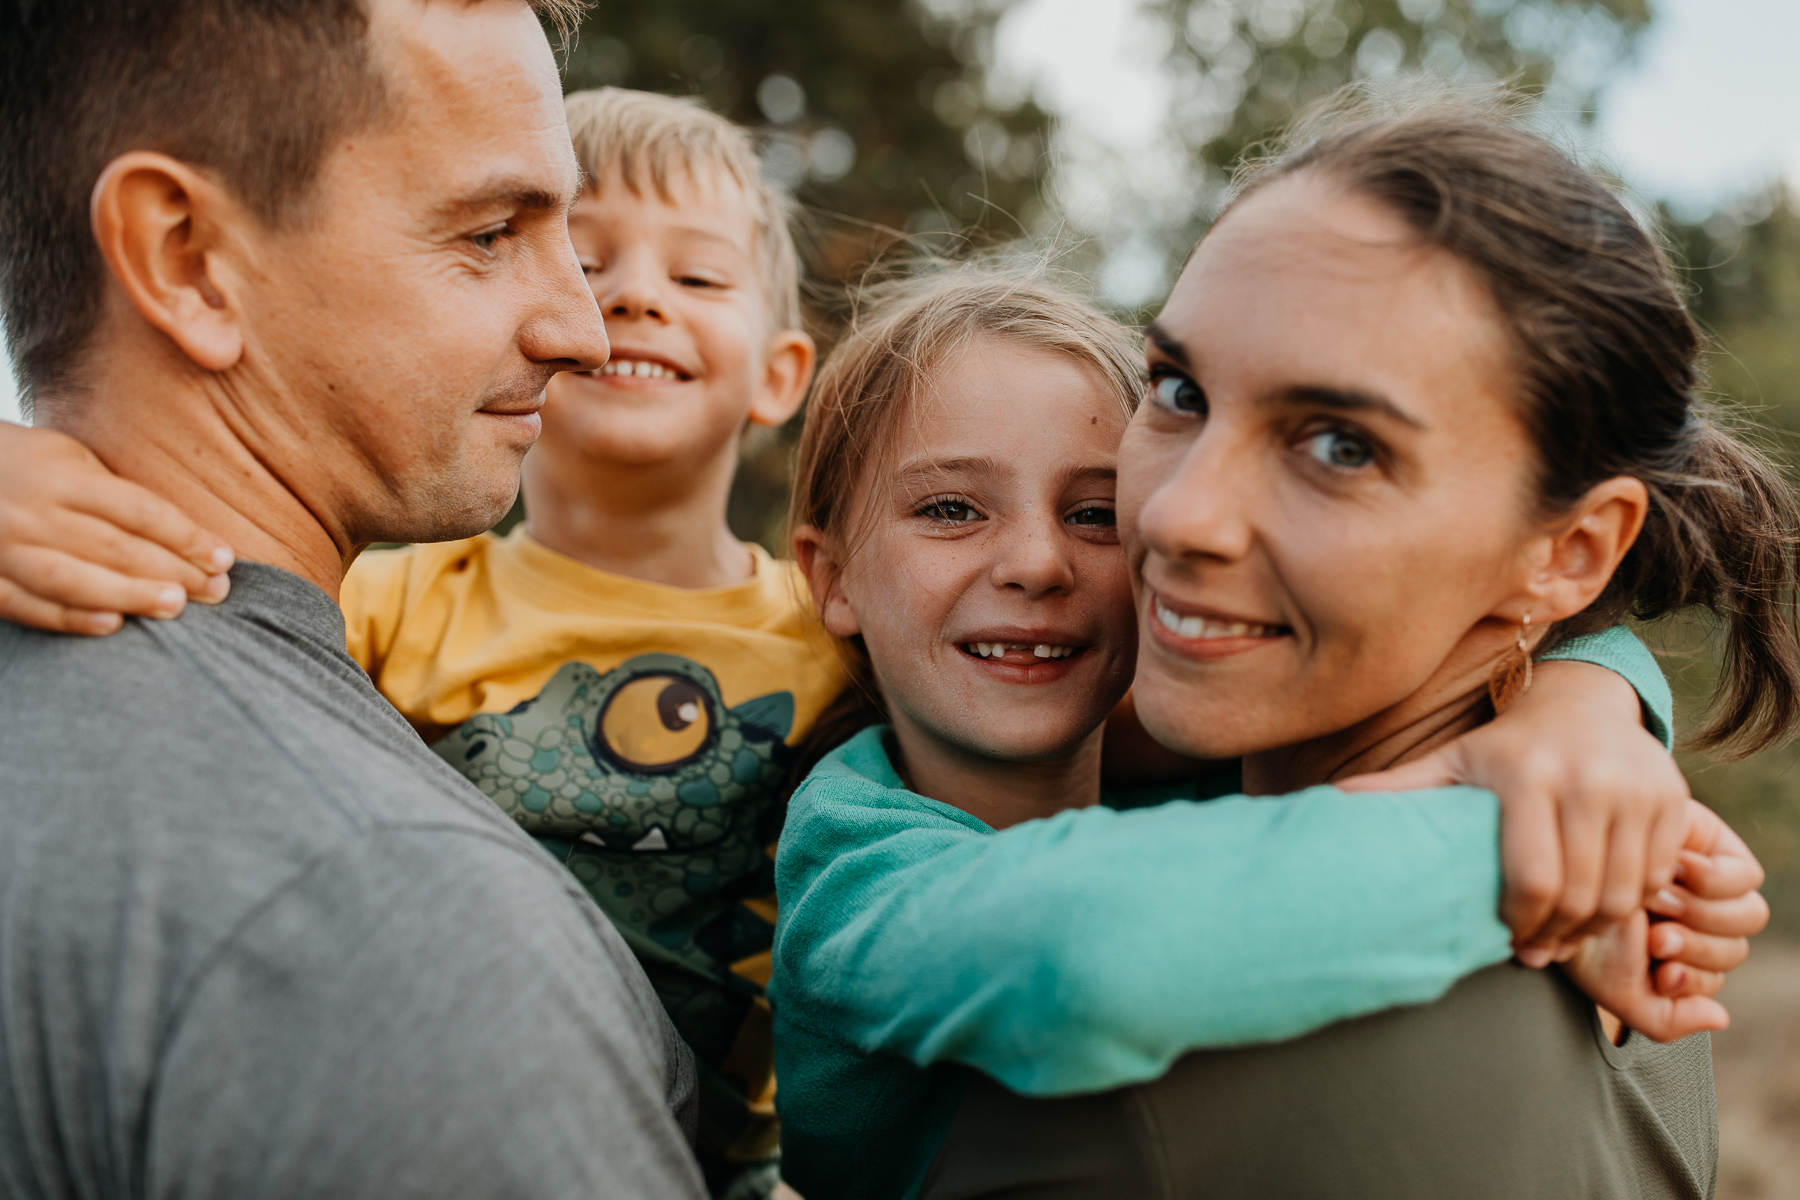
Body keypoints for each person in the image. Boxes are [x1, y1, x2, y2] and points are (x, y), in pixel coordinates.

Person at [920, 97, 1793, 1198]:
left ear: (1568, 551)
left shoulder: (1222, 1024)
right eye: (1181, 391)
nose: (1181, 514)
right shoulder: (1579, 830)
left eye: (1339, 446)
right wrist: (1590, 694)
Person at [0, 86, 836, 1198]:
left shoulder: (831, 640)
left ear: (781, 374)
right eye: (586, 262)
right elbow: (173, 557)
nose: (630, 299)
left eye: (696, 276)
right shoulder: (403, 598)